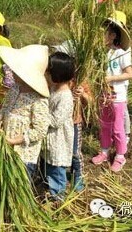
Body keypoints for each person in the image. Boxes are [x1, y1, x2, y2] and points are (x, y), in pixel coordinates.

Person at [0, 45, 51, 178]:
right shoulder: (14, 89)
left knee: (18, 184)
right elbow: (5, 109)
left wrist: (15, 140)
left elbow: (40, 130)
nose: (12, 72)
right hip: (5, 149)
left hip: (23, 155)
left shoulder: (38, 100)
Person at [91, 10, 132, 172]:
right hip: (104, 96)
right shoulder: (101, 54)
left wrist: (110, 79)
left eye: (105, 33)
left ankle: (120, 156)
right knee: (104, 126)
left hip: (118, 98)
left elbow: (130, 74)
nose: (101, 36)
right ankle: (104, 152)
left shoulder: (120, 53)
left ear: (114, 36)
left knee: (117, 127)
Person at [53, 40, 90, 191]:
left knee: (75, 152)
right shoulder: (55, 77)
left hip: (74, 121)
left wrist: (82, 95)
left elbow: (90, 102)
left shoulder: (81, 79)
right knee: (58, 150)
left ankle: (78, 176)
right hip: (59, 122)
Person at [43, 51, 75, 201]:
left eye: (49, 72)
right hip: (50, 140)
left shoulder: (66, 97)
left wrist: (40, 115)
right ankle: (50, 191)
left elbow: (56, 121)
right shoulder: (54, 89)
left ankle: (58, 199)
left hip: (59, 141)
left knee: (56, 170)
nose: (46, 75)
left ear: (57, 75)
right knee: (49, 166)